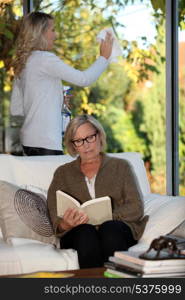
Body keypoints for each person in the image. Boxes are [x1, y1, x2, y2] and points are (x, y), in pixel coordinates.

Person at [47, 115, 149, 268]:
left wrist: (106, 218)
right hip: (78, 233)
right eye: (79, 141)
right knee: (86, 232)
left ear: (99, 136)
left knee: (110, 229)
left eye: (90, 137)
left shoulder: (121, 167)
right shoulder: (62, 173)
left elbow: (136, 207)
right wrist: (65, 224)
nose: (86, 145)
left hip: (117, 229)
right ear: (73, 145)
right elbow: (54, 215)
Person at [10, 12, 113, 156]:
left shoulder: (22, 63)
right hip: (46, 142)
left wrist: (56, 100)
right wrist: (104, 58)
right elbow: (84, 79)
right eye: (52, 30)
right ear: (41, 33)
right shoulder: (45, 59)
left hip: (28, 142)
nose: (56, 35)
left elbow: (16, 109)